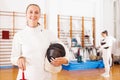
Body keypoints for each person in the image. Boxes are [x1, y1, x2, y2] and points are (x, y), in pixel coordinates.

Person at [11, 4, 69, 80]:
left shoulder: (48, 34)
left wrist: (66, 60)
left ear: (39, 15)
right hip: (26, 76)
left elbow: (64, 48)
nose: (33, 14)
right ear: (26, 14)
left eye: (36, 12)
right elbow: (13, 57)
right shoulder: (19, 35)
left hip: (45, 77)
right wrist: (19, 59)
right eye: (30, 12)